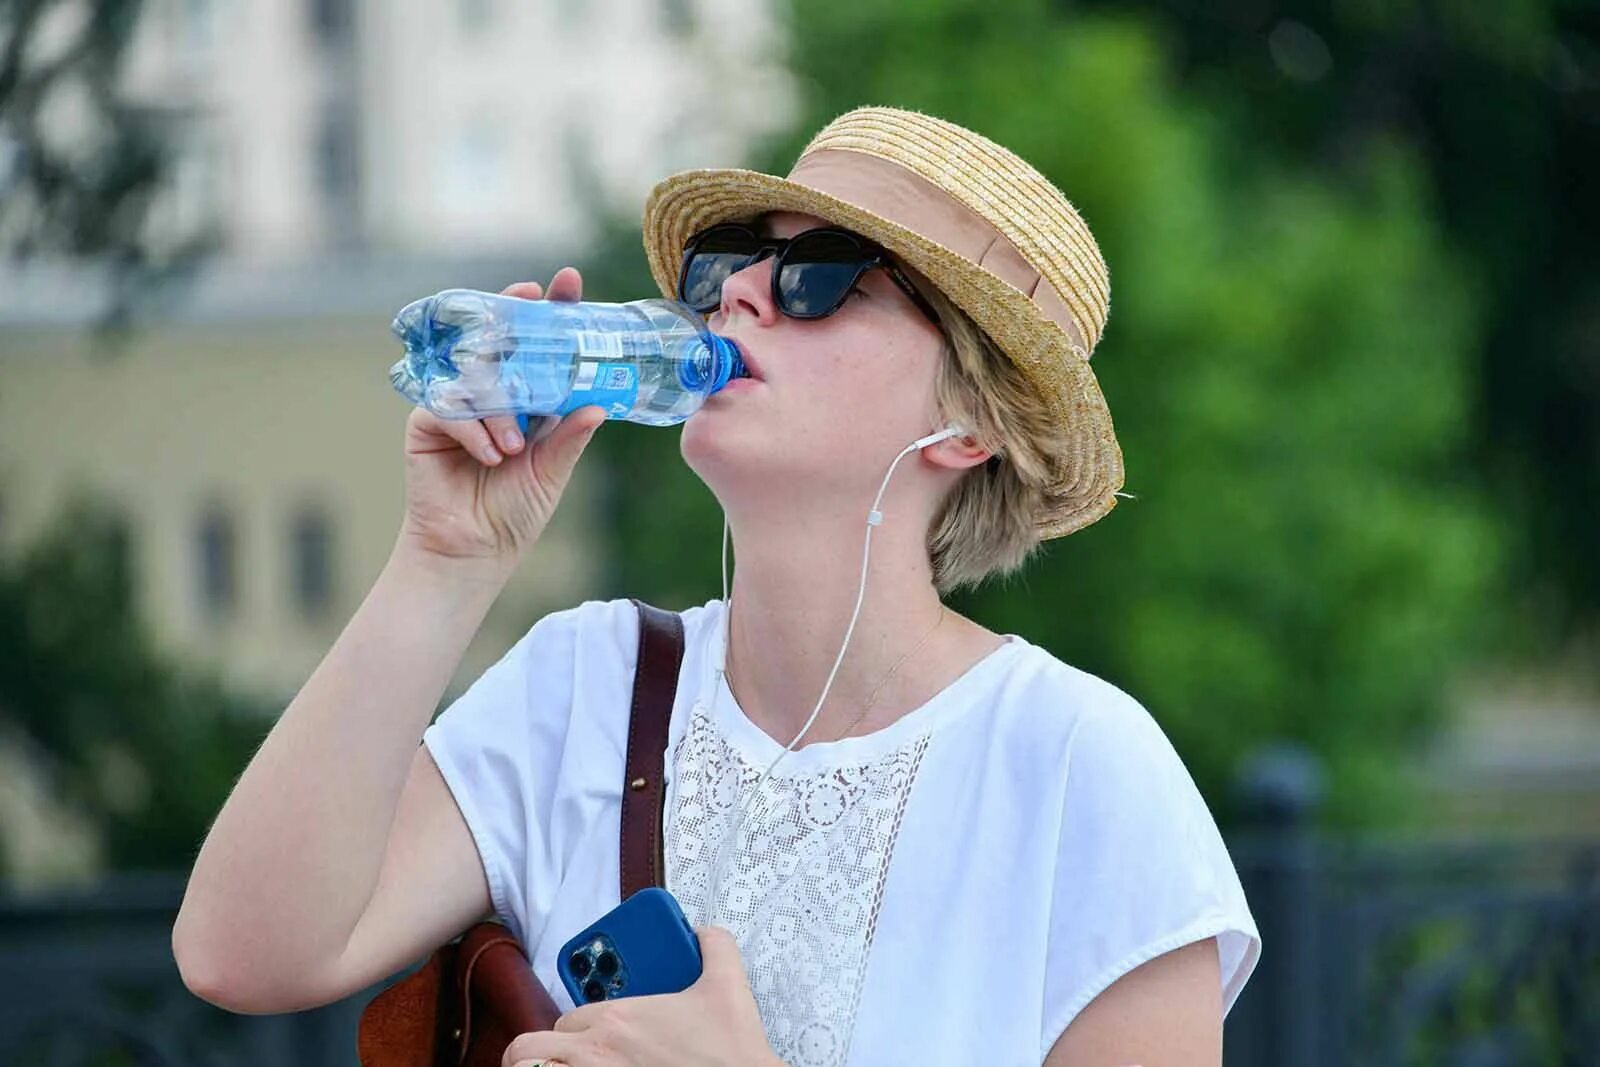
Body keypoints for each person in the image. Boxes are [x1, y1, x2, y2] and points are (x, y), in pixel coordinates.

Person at [173, 106, 1260, 1066]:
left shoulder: (1080, 770)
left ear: (971, 419)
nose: (738, 291)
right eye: (728, 259)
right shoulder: (582, 684)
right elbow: (242, 951)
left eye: (822, 273)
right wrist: (445, 558)